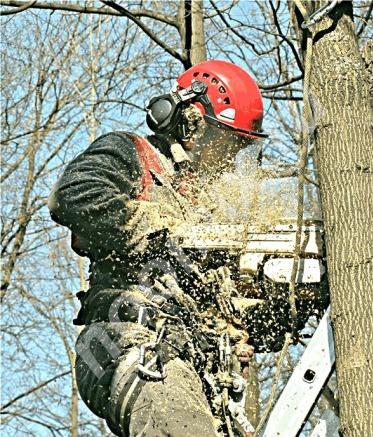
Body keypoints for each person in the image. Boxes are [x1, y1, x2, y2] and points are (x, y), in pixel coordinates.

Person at [49, 60, 268, 437]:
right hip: (126, 340)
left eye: (238, 149)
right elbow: (73, 197)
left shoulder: (204, 209)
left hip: (192, 368)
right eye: (224, 143)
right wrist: (161, 231)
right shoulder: (134, 154)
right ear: (190, 120)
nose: (229, 159)